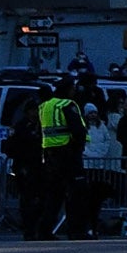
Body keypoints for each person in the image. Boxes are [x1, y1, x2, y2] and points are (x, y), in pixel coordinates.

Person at [23, 80, 86, 239]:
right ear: (68, 90)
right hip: (68, 154)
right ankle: (76, 231)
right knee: (75, 193)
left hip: (50, 155)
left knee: (54, 195)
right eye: (73, 89)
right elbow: (78, 130)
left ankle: (44, 230)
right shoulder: (67, 104)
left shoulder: (45, 106)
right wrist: (77, 148)